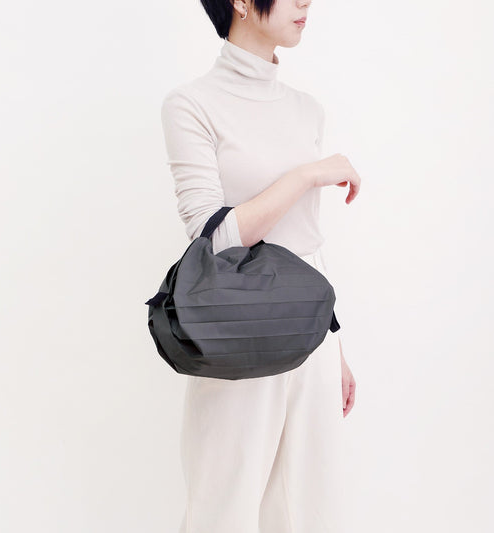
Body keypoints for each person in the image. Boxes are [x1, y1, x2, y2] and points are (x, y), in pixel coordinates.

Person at [160, 1, 360, 531]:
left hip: (312, 337)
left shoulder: (306, 110)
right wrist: (306, 176)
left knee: (309, 509)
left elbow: (308, 243)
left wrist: (335, 343)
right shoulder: (192, 104)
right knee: (222, 508)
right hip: (236, 332)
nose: (306, 3)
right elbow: (211, 239)